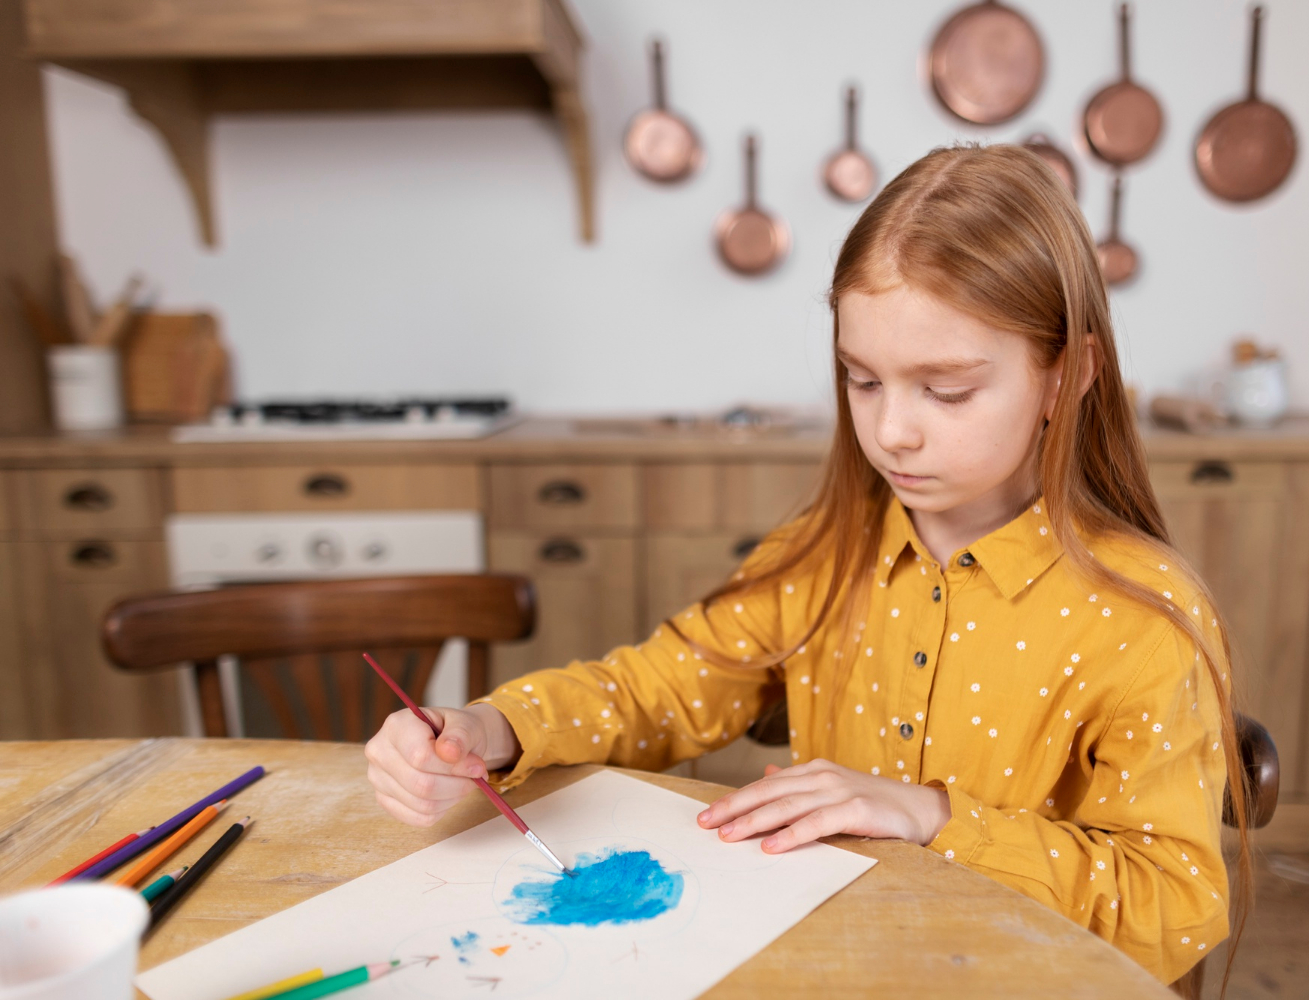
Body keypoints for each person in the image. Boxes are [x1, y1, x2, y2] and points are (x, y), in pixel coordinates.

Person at [364, 143, 1251, 986]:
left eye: (946, 390)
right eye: (862, 380)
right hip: (832, 969)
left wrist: (934, 818)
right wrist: (497, 729)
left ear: (1068, 374)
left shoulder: (1140, 618)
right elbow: (659, 688)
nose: (891, 430)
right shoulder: (821, 557)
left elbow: (1176, 900)